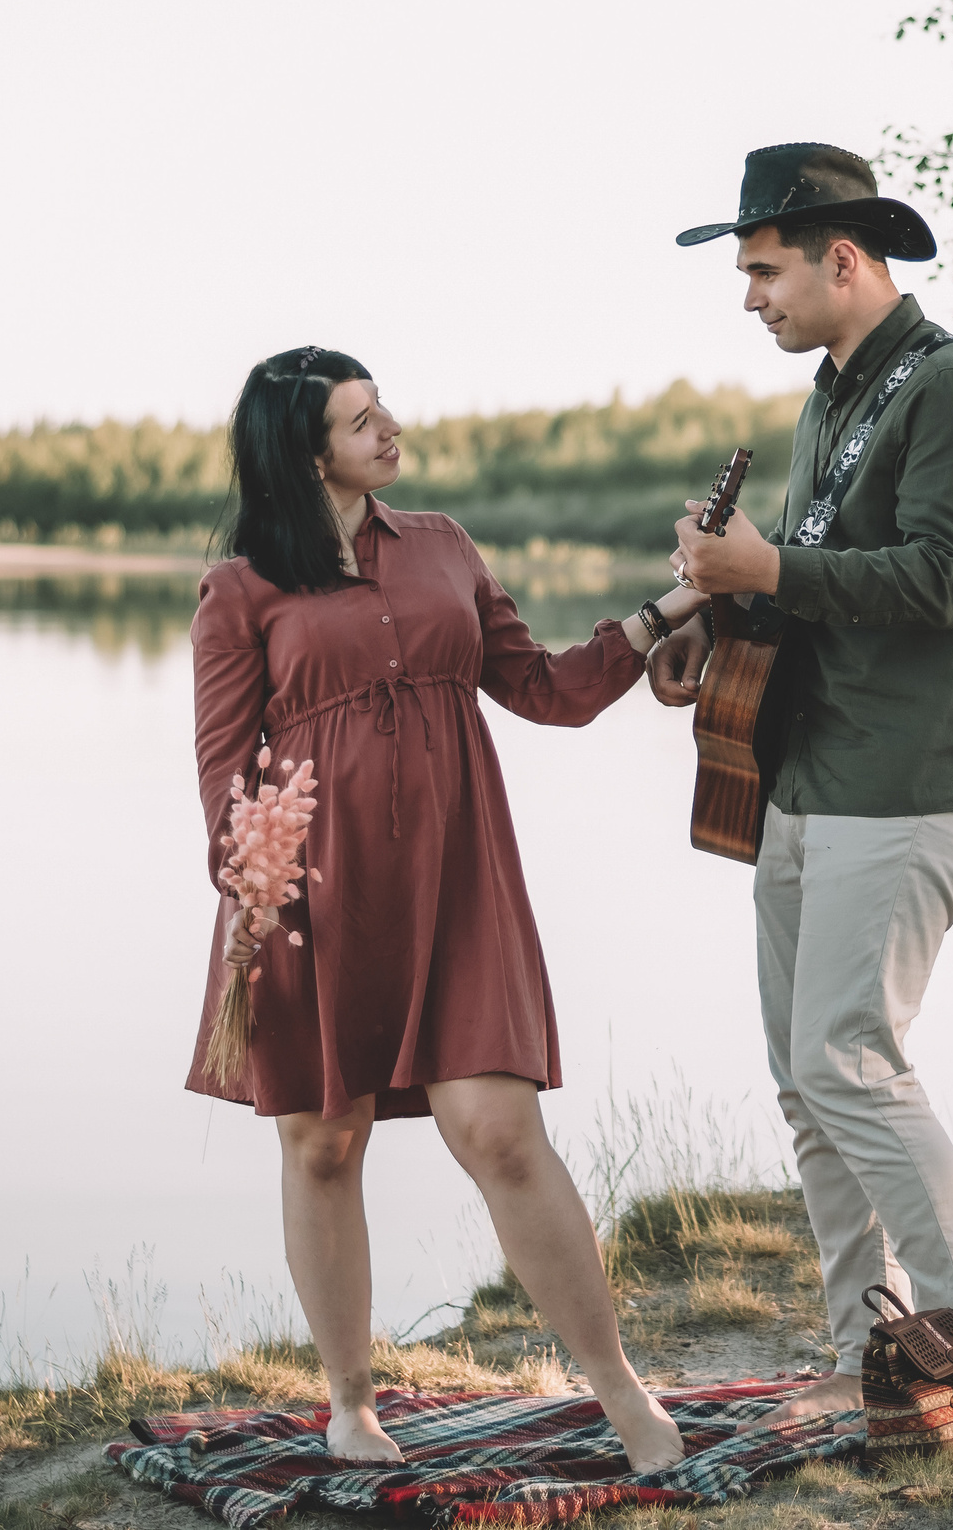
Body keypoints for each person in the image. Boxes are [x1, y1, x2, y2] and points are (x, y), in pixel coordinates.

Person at [188, 347, 704, 1470]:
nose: (390, 431)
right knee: (324, 1145)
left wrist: (674, 608)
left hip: (458, 882)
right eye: (361, 421)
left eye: (383, 412)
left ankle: (622, 1394)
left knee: (502, 1134)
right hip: (312, 902)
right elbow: (224, 777)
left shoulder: (443, 546)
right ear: (303, 451)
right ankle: (351, 1406)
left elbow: (547, 691)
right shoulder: (239, 592)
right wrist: (252, 894)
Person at [651, 145, 953, 1427]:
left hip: (915, 772)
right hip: (807, 772)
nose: (749, 297)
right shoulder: (828, 397)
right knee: (803, 1077)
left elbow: (938, 581)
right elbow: (812, 574)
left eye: (764, 271)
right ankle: (861, 1354)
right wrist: (712, 623)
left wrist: (764, 571)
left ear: (843, 258)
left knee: (849, 1061)